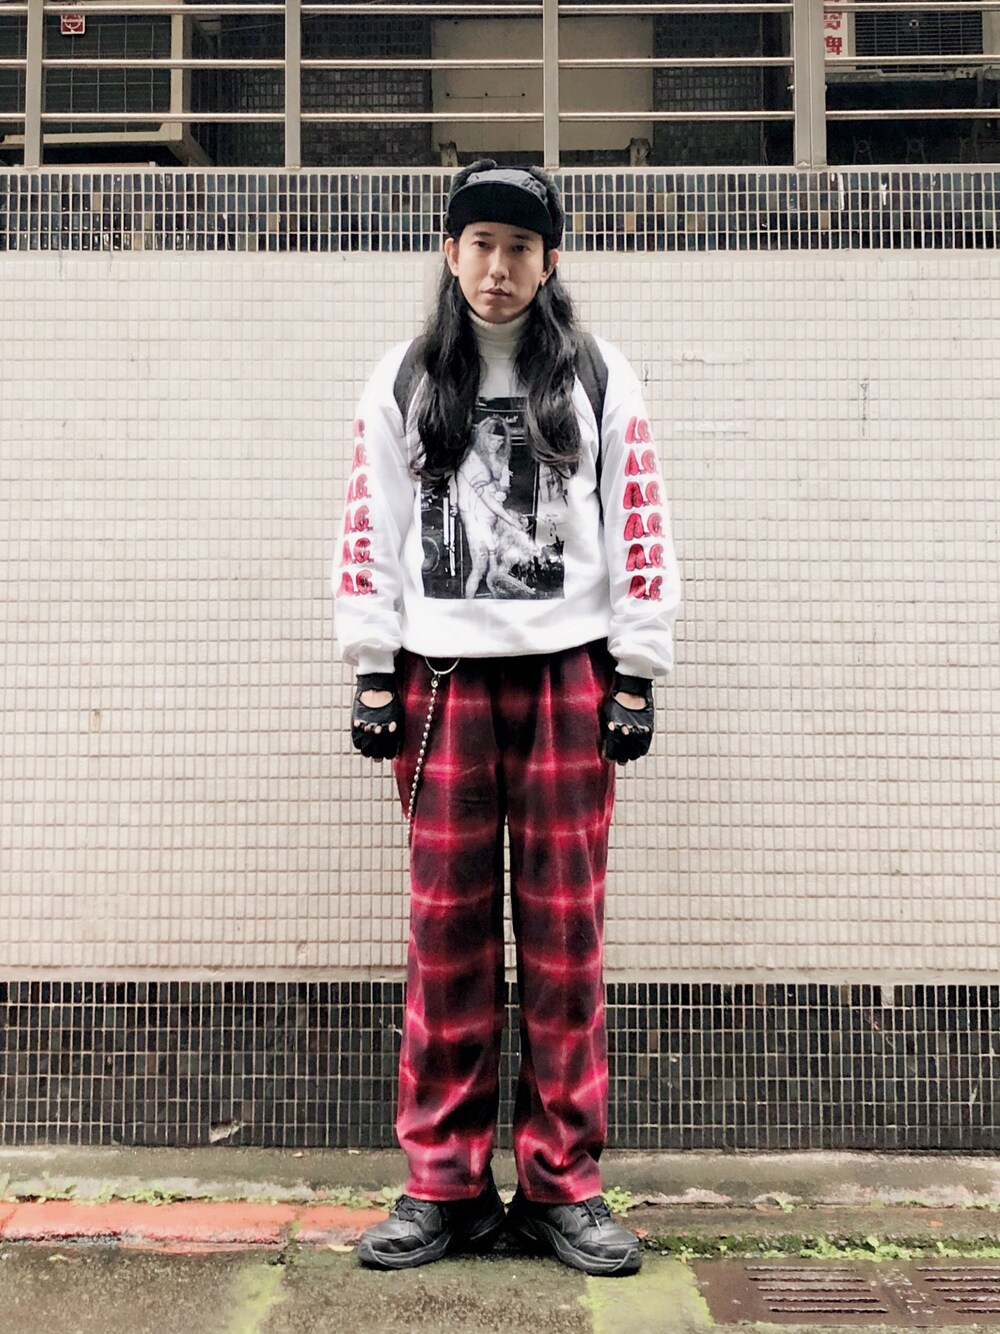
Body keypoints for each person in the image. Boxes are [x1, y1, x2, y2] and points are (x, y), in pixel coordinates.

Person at [333, 161, 681, 1277]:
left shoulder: (594, 375)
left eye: (520, 247)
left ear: (550, 259)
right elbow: (372, 522)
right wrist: (371, 669)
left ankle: (560, 1185)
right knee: (447, 940)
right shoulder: (404, 377)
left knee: (564, 938)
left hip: (568, 676)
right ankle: (443, 1187)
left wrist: (637, 671)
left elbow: (637, 515)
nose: (498, 267)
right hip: (441, 680)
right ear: (451, 253)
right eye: (480, 243)